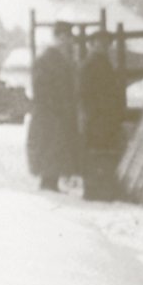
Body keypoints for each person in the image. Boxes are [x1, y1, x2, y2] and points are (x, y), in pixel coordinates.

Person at [25, 28, 84, 192]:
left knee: (57, 147)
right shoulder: (45, 60)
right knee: (50, 146)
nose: (67, 41)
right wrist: (56, 105)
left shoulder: (64, 59)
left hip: (60, 111)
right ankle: (48, 183)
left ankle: (52, 181)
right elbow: (40, 88)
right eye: (64, 37)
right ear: (57, 38)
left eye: (69, 38)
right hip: (49, 113)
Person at [76, 32, 126, 202]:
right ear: (92, 44)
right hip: (97, 116)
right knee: (96, 153)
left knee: (105, 152)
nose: (104, 46)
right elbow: (84, 93)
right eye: (100, 43)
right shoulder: (90, 64)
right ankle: (93, 191)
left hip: (106, 116)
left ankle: (102, 190)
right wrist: (91, 114)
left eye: (107, 43)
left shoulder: (103, 62)